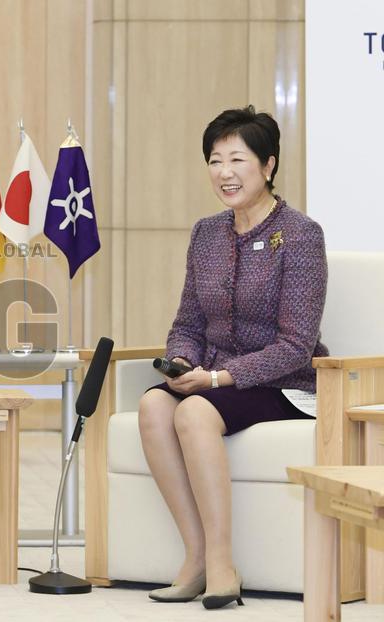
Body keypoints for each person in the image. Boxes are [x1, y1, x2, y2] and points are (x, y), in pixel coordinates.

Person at [138, 106, 328, 610]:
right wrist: (181, 363)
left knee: (195, 410)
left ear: (268, 166)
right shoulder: (206, 234)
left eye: (238, 159)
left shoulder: (302, 235)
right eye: (215, 160)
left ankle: (223, 566)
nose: (225, 172)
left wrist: (219, 379)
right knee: (155, 406)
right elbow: (187, 323)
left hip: (285, 383)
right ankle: (196, 556)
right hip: (212, 376)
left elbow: (297, 344)